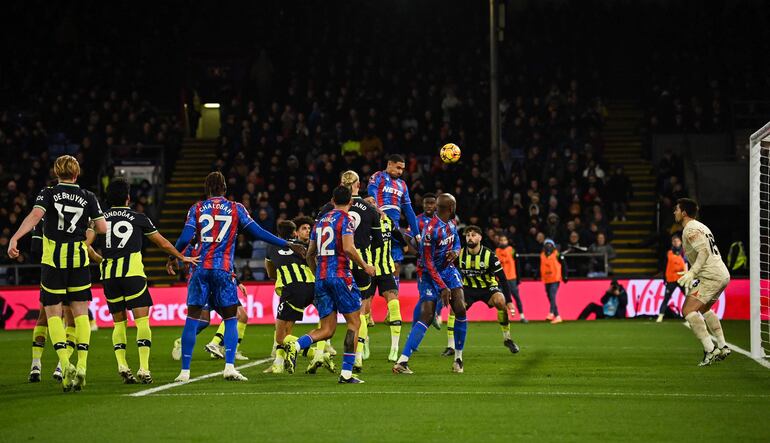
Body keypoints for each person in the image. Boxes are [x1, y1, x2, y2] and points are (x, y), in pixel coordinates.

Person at [170, 171, 304, 382]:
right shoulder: (236, 208)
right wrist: (287, 243)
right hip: (223, 270)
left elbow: (185, 237)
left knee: (192, 317)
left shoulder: (196, 208)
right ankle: (230, 367)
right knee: (231, 318)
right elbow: (259, 232)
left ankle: (184, 372)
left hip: (200, 268)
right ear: (224, 188)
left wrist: (174, 257)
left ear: (207, 189)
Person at [8, 155, 108, 391]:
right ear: (77, 173)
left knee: (53, 314)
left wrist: (15, 237)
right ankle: (81, 365)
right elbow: (102, 227)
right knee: (81, 314)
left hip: (53, 262)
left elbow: (35, 216)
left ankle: (64, 364)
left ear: (56, 172)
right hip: (78, 261)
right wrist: (88, 225)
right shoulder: (88, 196)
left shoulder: (48, 193)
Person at [100, 178, 198, 384]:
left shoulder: (100, 219)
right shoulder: (138, 217)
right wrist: (181, 257)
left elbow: (86, 244)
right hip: (133, 274)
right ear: (128, 198)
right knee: (142, 321)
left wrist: (100, 260)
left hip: (109, 276)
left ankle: (122, 364)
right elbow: (161, 242)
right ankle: (143, 368)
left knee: (119, 323)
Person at [284, 186, 375, 384]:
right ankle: (346, 374)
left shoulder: (320, 222)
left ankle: (297, 346)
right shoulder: (346, 220)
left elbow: (309, 254)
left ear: (332, 201)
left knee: (327, 329)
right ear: (350, 202)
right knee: (354, 323)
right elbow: (349, 249)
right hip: (341, 276)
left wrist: (318, 273)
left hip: (322, 278)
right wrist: (365, 266)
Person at [317, 171, 391, 370]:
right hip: (358, 263)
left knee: (327, 315)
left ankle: (319, 353)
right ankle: (357, 356)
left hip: (330, 266)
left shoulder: (327, 208)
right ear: (358, 184)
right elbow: (378, 242)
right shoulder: (369, 208)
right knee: (359, 312)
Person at [393, 193, 467, 374]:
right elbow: (428, 263)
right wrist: (442, 287)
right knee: (426, 314)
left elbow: (456, 241)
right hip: (428, 274)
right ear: (451, 207)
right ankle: (402, 361)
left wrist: (456, 252)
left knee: (460, 308)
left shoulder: (451, 222)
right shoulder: (431, 231)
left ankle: (458, 358)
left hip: (448, 270)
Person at [264, 220, 331, 374]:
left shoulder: (271, 247)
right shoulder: (304, 246)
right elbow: (315, 262)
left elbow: (270, 273)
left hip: (291, 290)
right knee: (322, 320)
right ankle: (279, 364)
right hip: (312, 287)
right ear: (295, 233)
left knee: (281, 336)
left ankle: (316, 354)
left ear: (278, 234)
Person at [674, 198, 731, 366]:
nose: (674, 212)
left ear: (684, 212)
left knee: (688, 310)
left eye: (676, 209)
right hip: (722, 274)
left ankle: (710, 350)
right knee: (705, 308)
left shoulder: (690, 229)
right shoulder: (702, 226)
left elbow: (704, 251)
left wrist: (692, 272)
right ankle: (722, 345)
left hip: (710, 276)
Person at [455, 225, 520, 354]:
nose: (470, 238)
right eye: (468, 235)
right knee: (455, 308)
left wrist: (509, 300)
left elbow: (502, 278)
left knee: (500, 301)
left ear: (480, 238)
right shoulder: (459, 254)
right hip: (468, 288)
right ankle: (451, 346)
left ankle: (507, 338)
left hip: (488, 288)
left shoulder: (489, 255)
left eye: (473, 235)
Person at [367, 154, 422, 281]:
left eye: (402, 169)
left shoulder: (402, 184)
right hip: (377, 226)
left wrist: (417, 233)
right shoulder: (378, 177)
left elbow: (409, 211)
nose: (400, 172)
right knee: (371, 264)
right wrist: (379, 212)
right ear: (389, 164)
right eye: (398, 168)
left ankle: (393, 298)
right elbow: (371, 197)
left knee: (396, 264)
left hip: (394, 230)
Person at [495, 233, 526, 323]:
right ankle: (506, 317)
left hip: (512, 278)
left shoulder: (512, 250)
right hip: (500, 279)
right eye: (501, 240)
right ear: (499, 241)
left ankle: (522, 316)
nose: (503, 242)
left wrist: (519, 278)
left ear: (507, 241)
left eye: (504, 240)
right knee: (502, 299)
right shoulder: (496, 251)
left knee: (516, 297)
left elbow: (517, 265)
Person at [657, 234, 687, 322]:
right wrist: (664, 278)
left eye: (677, 241)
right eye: (674, 241)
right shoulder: (669, 253)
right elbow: (664, 266)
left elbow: (688, 265)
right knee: (666, 297)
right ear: (672, 243)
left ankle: (691, 316)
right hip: (671, 279)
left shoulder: (685, 253)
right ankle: (660, 316)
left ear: (681, 242)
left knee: (689, 298)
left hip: (682, 279)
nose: (676, 243)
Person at [540, 238, 567, 324]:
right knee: (550, 297)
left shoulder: (558, 255)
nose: (548, 246)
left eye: (550, 245)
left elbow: (564, 265)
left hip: (555, 278)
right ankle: (558, 316)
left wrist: (565, 276)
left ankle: (551, 313)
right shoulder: (542, 255)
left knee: (552, 295)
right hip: (546, 279)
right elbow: (541, 266)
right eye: (546, 245)